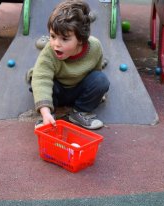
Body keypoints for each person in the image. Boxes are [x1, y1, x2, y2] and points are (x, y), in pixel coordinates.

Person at [28, 0, 110, 130]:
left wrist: (98, 93)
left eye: (64, 39)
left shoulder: (94, 46)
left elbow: (96, 71)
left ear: (81, 39)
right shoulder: (49, 52)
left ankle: (79, 113)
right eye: (53, 36)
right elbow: (41, 79)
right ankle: (49, 117)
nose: (56, 44)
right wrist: (45, 112)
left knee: (101, 80)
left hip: (78, 88)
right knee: (37, 81)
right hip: (57, 90)